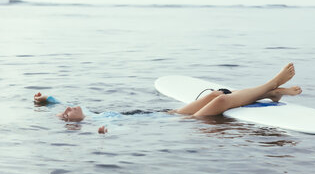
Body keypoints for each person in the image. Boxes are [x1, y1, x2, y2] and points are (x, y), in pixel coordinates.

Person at [34, 62, 301, 134]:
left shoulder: (90, 114)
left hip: (169, 115)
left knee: (216, 94)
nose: (69, 108)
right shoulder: (96, 124)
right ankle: (272, 84)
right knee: (219, 103)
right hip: (180, 125)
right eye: (68, 113)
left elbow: (58, 105)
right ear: (74, 124)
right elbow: (123, 136)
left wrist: (48, 99)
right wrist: (105, 134)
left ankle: (271, 93)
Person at [175, 63, 301, 116]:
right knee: (222, 99)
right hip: (182, 121)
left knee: (216, 94)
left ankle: (271, 92)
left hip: (172, 115)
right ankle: (271, 87)